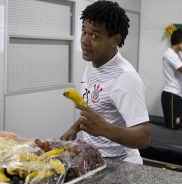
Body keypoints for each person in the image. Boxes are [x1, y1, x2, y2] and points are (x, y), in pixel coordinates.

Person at [60, 1, 150, 164]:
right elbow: (98, 110)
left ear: (114, 40)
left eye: (94, 36)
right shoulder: (93, 63)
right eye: (84, 32)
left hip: (122, 164)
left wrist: (105, 130)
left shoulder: (125, 78)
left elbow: (143, 137)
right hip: (96, 160)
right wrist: (75, 128)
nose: (85, 41)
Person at [161, 29, 182, 130]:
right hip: (171, 95)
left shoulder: (176, 54)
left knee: (177, 125)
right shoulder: (169, 54)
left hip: (176, 95)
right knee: (172, 128)